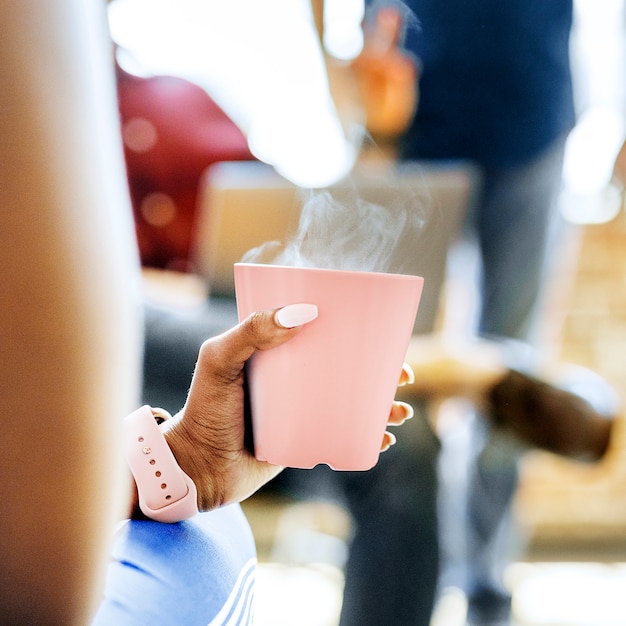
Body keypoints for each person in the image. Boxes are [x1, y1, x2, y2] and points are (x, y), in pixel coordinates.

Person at [0, 1, 414, 624]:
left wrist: (180, 460)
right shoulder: (39, 109)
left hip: (213, 324)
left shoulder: (181, 99)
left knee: (414, 445)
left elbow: (316, 215)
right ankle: (465, 370)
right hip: (143, 322)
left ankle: (450, 369)